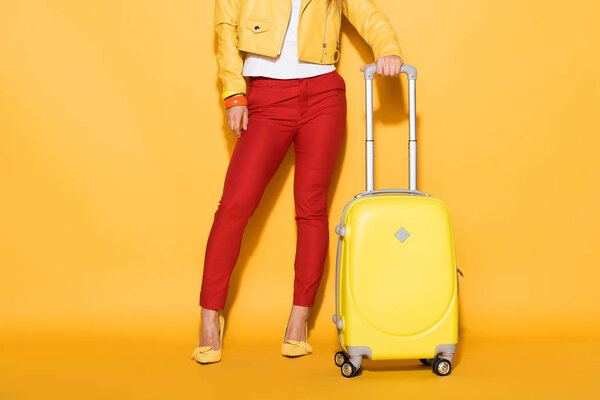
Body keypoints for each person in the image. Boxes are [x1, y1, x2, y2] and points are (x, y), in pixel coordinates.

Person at [192, 0, 404, 364]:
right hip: (265, 94)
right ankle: (210, 317)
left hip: (323, 94)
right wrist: (233, 93)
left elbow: (369, 15)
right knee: (234, 207)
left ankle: (299, 319)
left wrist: (388, 49)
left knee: (311, 210)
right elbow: (225, 29)